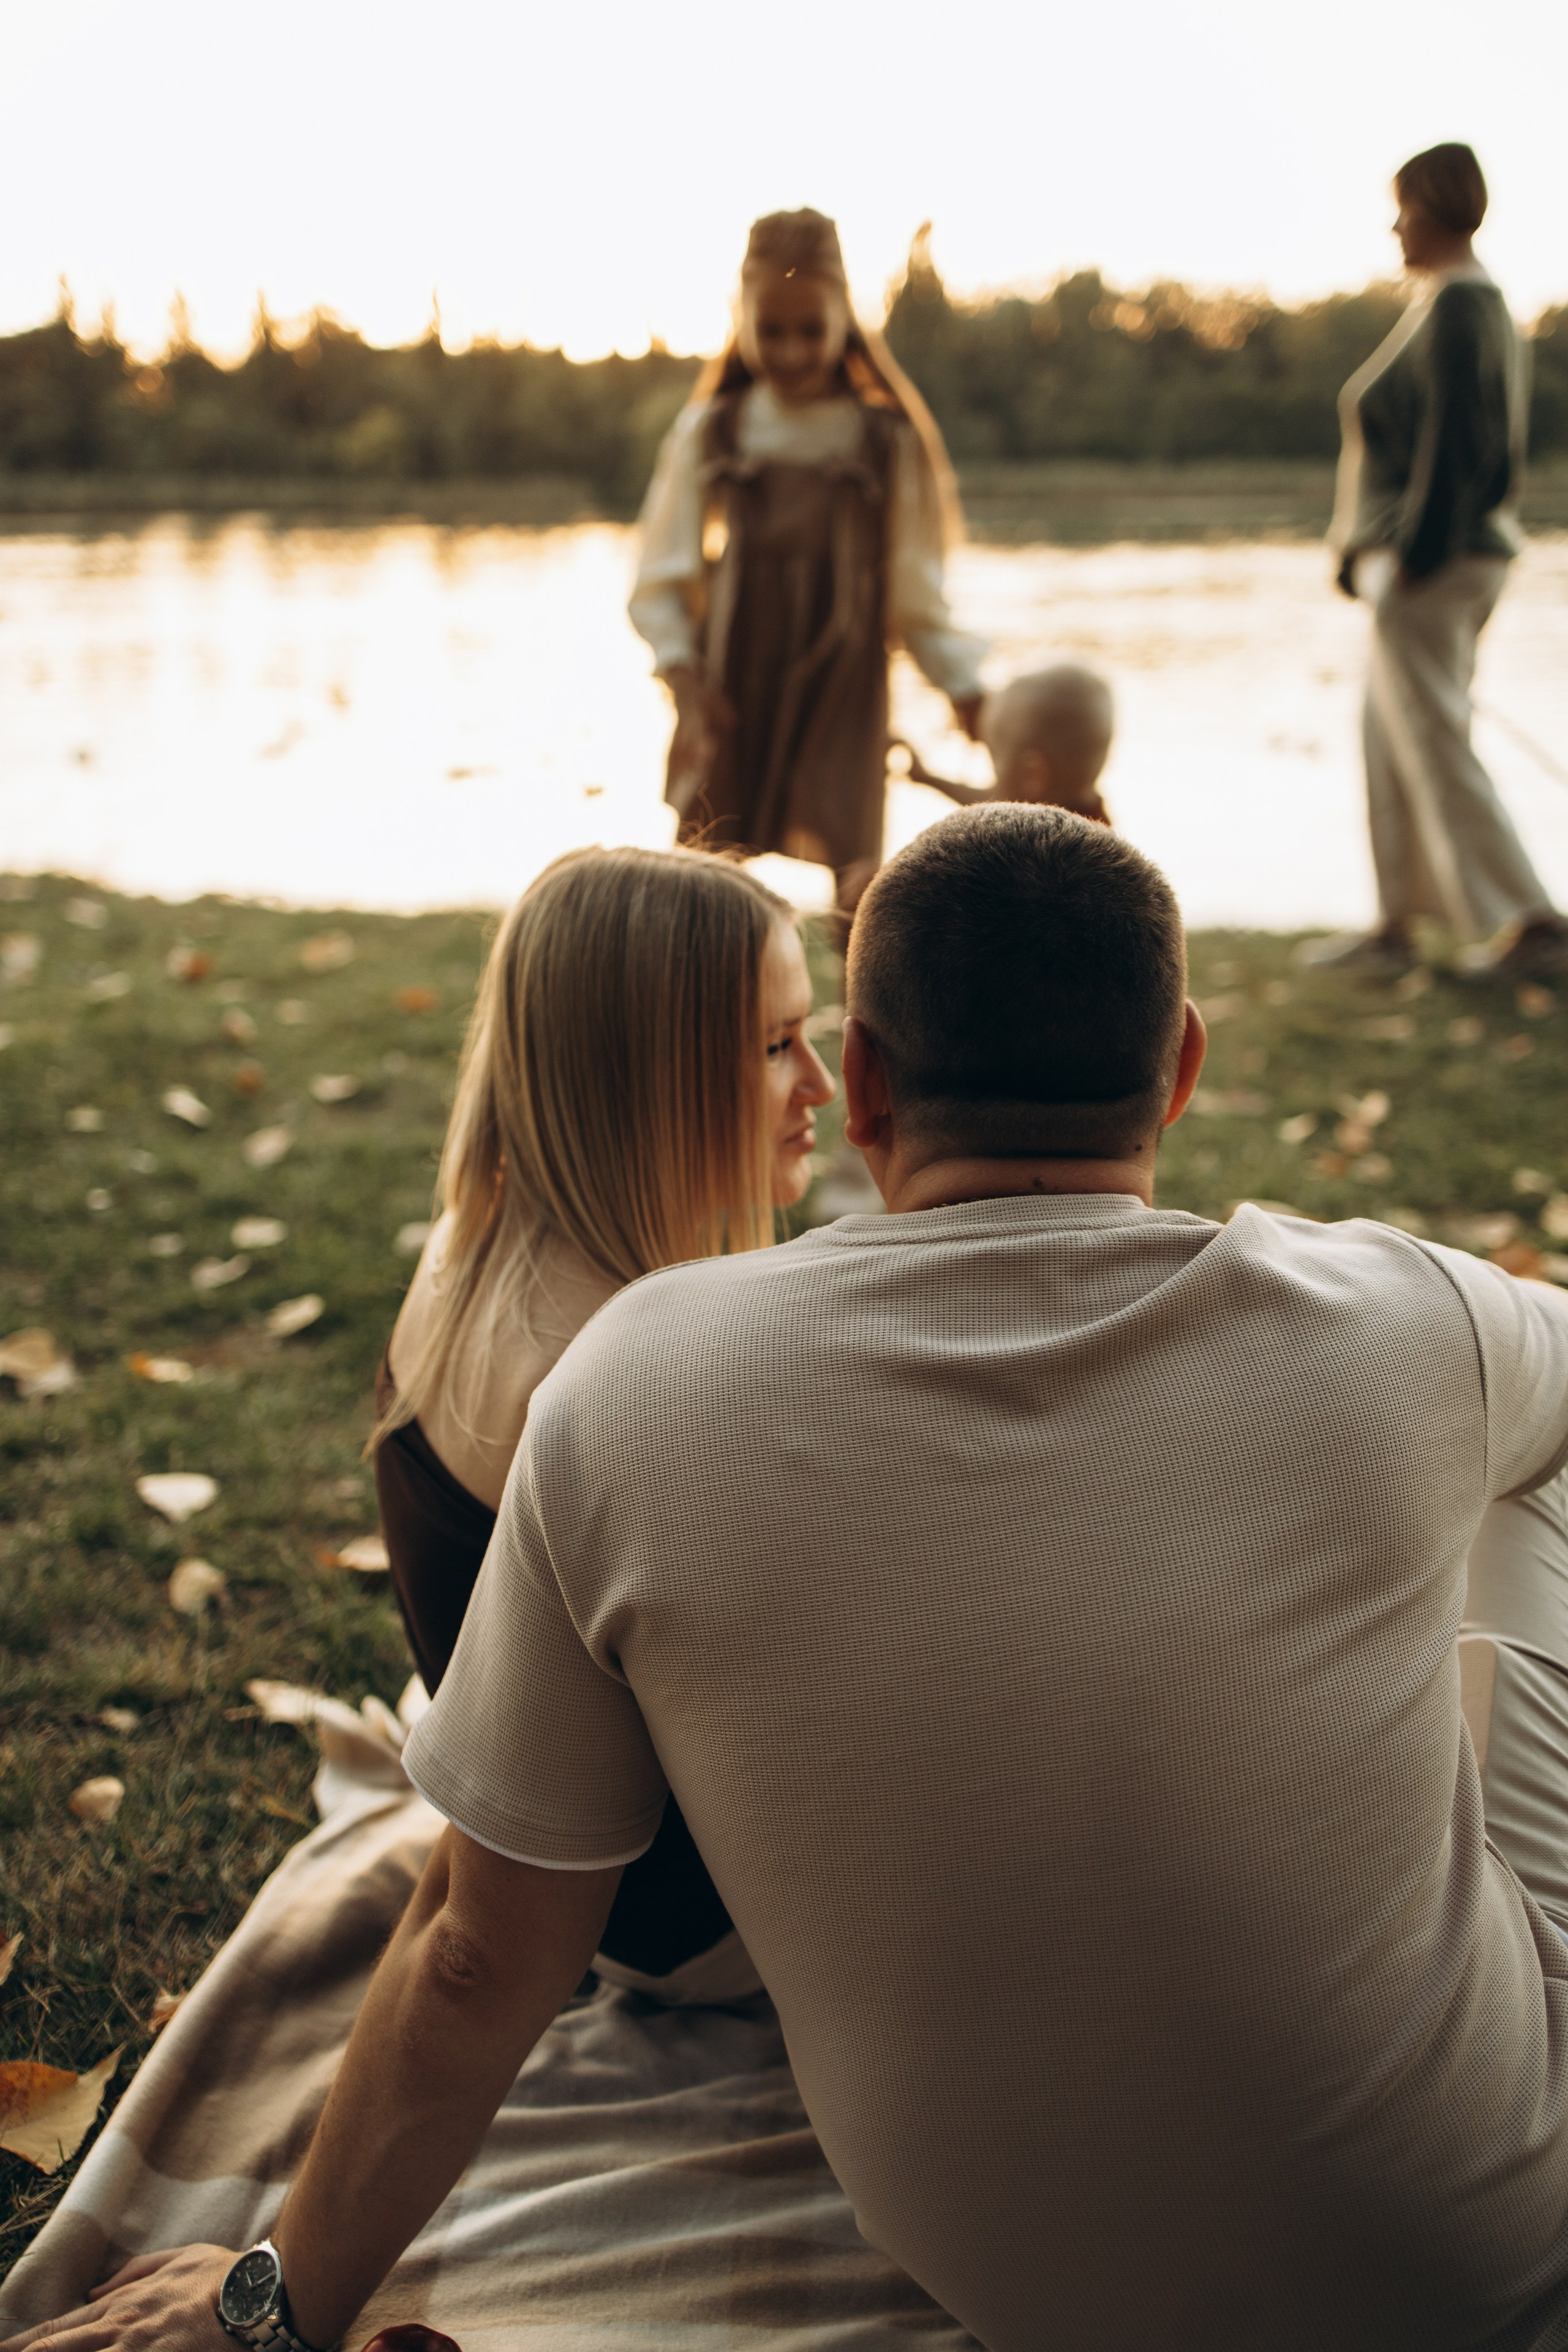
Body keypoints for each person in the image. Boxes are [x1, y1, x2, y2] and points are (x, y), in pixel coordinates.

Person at [30, 808, 1568, 2352]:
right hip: (1484, 2256)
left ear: (869, 1079)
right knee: (1520, 1466)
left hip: (1021, 2286)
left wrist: (269, 2303)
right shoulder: (1401, 1312)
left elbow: (477, 1947)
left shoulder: (631, 1376)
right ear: (1180, 1068)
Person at [373, 843, 834, 1997]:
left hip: (565, 1861)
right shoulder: (636, 1375)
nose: (820, 1085)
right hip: (681, 1925)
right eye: (775, 1046)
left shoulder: (467, 1255)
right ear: (650, 1078)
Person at [628, 207, 986, 919]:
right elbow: (658, 579)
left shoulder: (888, 440)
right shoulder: (712, 429)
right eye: (771, 331)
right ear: (740, 317)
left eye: (809, 331)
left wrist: (968, 690)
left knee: (858, 894)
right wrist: (685, 681)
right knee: (701, 891)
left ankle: (865, 992)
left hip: (844, 691)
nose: (790, 352)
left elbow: (915, 595)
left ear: (844, 318)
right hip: (730, 687)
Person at [1314, 141, 1568, 980]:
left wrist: (1413, 556)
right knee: (1389, 741)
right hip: (1419, 564)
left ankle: (1536, 925)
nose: (1395, 227)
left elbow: (1462, 447)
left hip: (1433, 566)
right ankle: (1396, 928)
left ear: (1436, 209)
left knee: (1434, 742)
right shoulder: (1452, 301)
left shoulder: (1463, 304)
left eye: (1404, 209)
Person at [898, 663, 1115, 827]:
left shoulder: (1027, 850)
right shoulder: (1096, 830)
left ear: (1034, 774)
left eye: (996, 762)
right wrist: (927, 778)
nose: (996, 776)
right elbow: (997, 801)